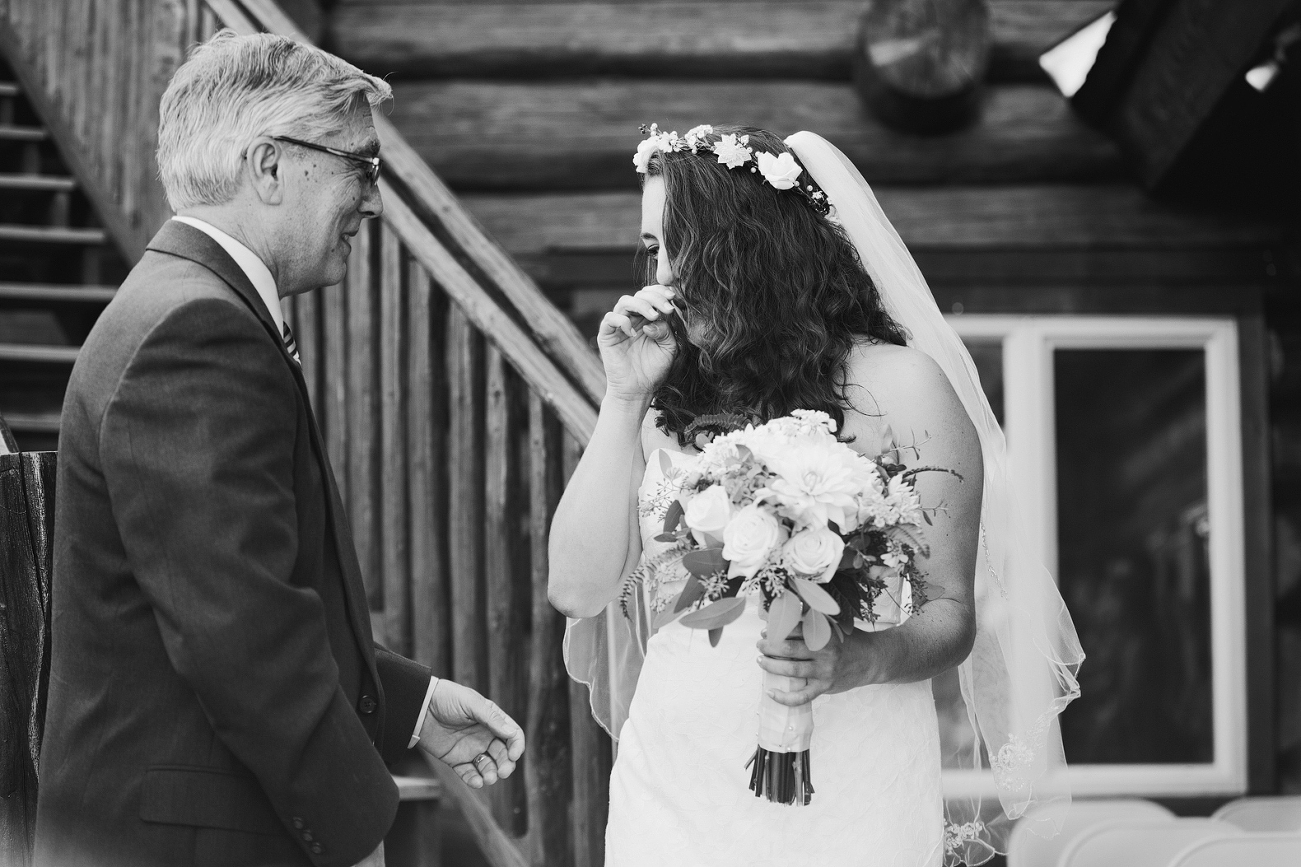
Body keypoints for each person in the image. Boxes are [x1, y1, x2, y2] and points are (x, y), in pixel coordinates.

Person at [35, 31, 523, 867]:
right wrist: (352, 830)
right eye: (361, 167)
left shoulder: (182, 302)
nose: (374, 203)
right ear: (268, 166)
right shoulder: (197, 330)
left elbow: (235, 595)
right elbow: (242, 633)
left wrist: (409, 702)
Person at [549, 125, 1082, 866]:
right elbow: (577, 588)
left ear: (750, 248)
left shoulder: (902, 386)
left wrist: (860, 659)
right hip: (676, 772)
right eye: (651, 248)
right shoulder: (664, 399)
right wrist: (621, 398)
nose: (662, 275)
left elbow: (949, 613)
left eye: (680, 246)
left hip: (854, 766)